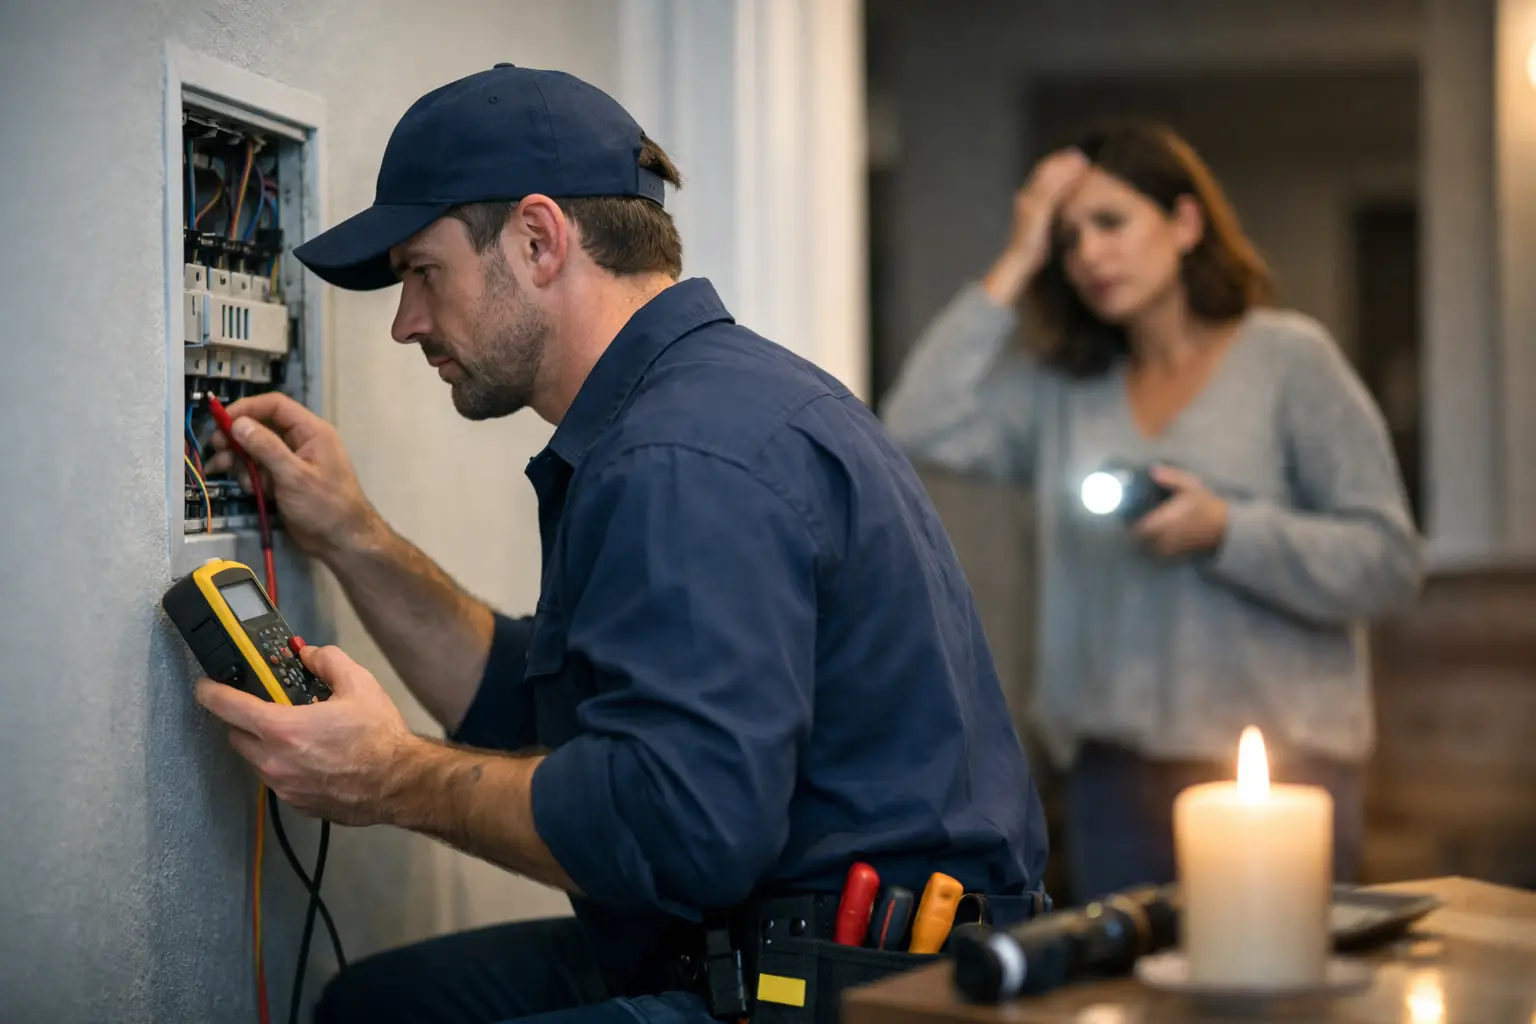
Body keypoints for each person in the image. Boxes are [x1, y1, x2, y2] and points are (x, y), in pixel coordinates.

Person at [194, 64, 1049, 1024]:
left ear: (537, 237)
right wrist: (352, 536)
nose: (406, 324)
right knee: (384, 1003)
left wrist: (390, 776)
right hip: (759, 941)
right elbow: (541, 702)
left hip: (848, 994)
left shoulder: (686, 455)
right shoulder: (703, 404)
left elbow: (678, 826)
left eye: (421, 273)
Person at [881, 121, 1422, 904]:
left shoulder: (1288, 362)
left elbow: (1389, 564)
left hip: (1279, 777)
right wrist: (1018, 251)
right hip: (1112, 784)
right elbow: (915, 420)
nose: (1089, 255)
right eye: (1068, 239)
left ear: (1185, 222)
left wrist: (1226, 531)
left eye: (1111, 223)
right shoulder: (1065, 394)